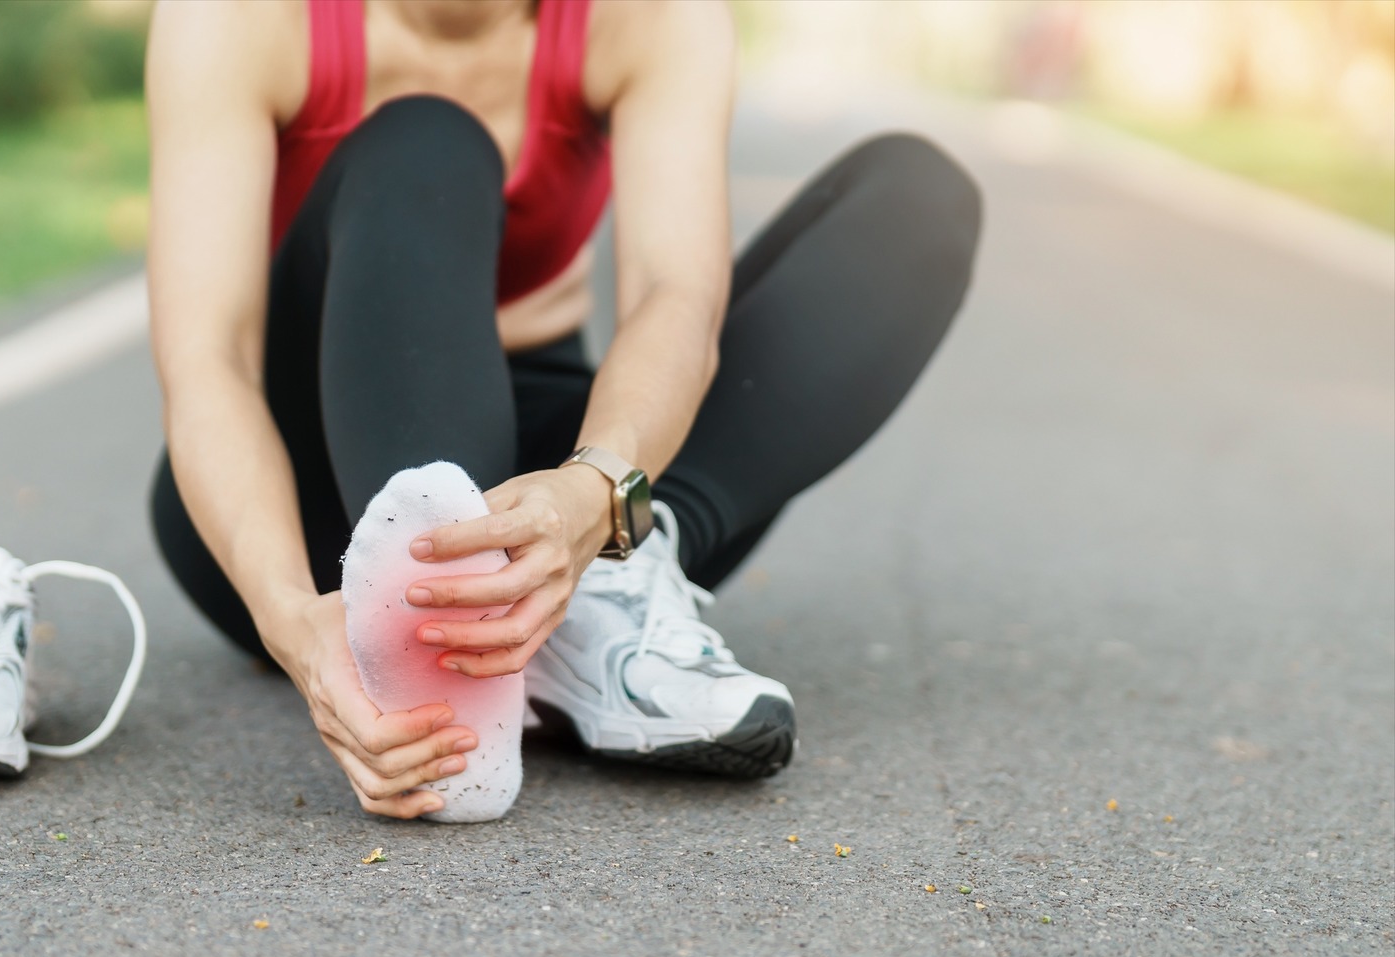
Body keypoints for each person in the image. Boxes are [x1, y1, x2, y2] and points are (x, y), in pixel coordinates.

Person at [146, 0, 981, 819]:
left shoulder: (651, 18)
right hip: (304, 502)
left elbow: (673, 295)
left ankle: (619, 583)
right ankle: (456, 620)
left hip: (570, 492)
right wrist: (290, 615)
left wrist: (598, 500)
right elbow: (208, 361)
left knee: (918, 196)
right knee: (426, 137)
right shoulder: (236, 18)